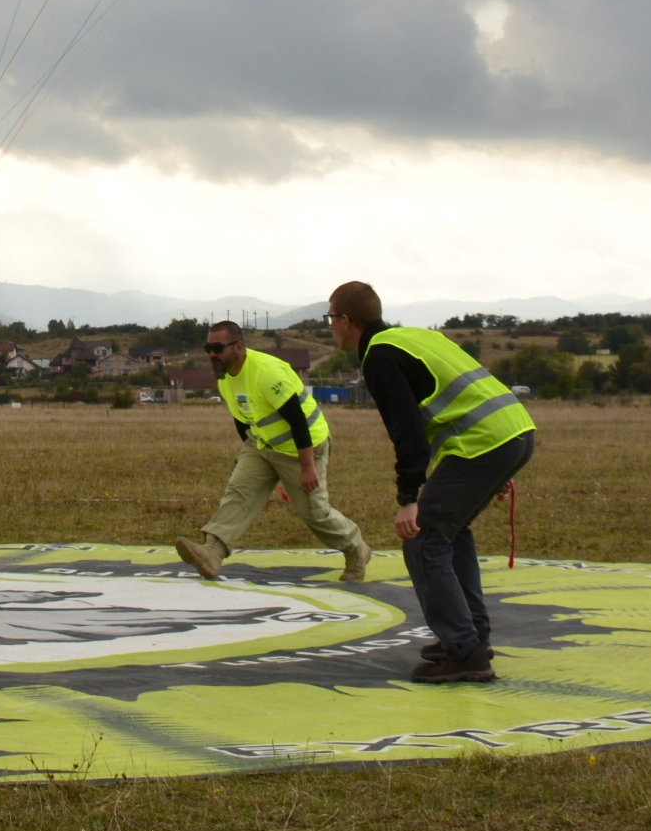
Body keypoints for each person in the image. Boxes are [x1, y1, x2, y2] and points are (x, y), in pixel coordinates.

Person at [327, 283, 535, 685]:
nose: (331, 328)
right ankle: (471, 636)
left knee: (423, 538)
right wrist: (499, 468)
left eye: (331, 320)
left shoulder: (379, 357)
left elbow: (408, 432)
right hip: (514, 432)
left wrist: (409, 499)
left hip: (485, 443)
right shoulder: (416, 337)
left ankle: (465, 651)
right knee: (450, 532)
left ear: (345, 321)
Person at [173, 322, 371, 584]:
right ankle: (212, 553)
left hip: (303, 446)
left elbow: (297, 420)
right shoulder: (225, 380)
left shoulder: (267, 373)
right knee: (239, 491)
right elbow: (242, 421)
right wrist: (248, 458)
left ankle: (356, 549)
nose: (212, 354)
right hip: (263, 445)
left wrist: (307, 467)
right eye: (209, 348)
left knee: (314, 512)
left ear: (239, 347)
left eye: (218, 348)